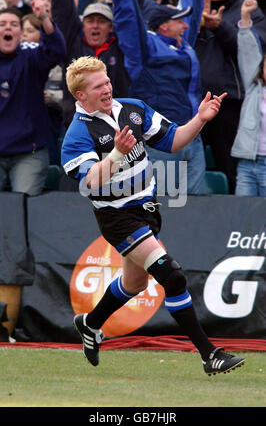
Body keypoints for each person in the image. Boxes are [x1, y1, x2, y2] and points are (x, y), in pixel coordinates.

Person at [61, 55, 245, 376]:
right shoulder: (78, 133)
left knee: (134, 283)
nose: (107, 88)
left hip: (148, 208)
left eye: (106, 80)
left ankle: (90, 324)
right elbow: (91, 181)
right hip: (117, 217)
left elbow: (173, 141)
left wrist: (200, 118)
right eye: (97, 86)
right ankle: (209, 354)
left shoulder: (131, 108)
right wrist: (117, 153)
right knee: (171, 275)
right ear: (81, 96)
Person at [101, 0, 207, 195]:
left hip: (193, 139)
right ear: (162, 27)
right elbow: (130, 20)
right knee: (160, 208)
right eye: (179, 21)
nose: (186, 26)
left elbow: (194, 7)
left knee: (198, 211)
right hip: (162, 142)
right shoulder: (145, 48)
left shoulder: (184, 48)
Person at [195, 0, 266, 193]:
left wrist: (220, 27)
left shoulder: (249, 11)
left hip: (229, 104)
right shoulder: (191, 6)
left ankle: (236, 228)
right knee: (189, 173)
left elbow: (253, 52)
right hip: (194, 103)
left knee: (231, 171)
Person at [46, 0, 131, 130]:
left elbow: (130, 19)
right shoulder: (72, 45)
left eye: (102, 21)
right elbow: (62, 8)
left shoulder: (121, 47)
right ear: (82, 25)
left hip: (117, 129)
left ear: (110, 27)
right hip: (78, 128)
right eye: (90, 20)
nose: (95, 25)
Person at [0, 1, 66, 196]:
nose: (8, 28)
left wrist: (44, 18)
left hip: (29, 153)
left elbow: (57, 51)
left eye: (13, 24)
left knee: (24, 207)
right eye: (2, 24)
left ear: (21, 34)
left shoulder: (31, 57)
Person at [231, 0, 266, 196]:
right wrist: (245, 17)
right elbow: (248, 51)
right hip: (246, 163)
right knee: (242, 218)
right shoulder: (255, 87)